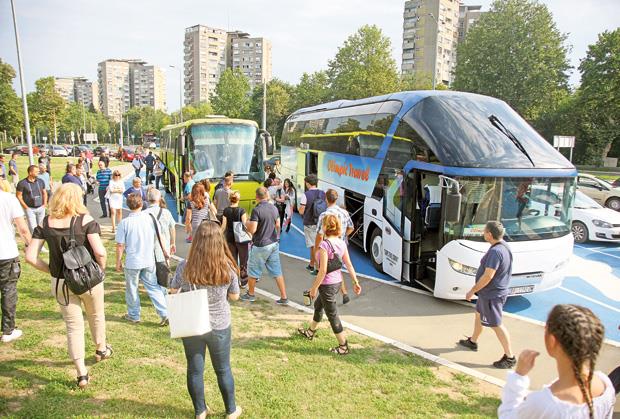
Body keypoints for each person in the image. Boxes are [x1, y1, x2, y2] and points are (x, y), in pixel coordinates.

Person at [25, 183, 112, 388]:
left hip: (61, 282)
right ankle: (101, 348)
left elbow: (30, 256)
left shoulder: (46, 223)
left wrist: (51, 270)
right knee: (96, 315)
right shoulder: (85, 220)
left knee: (73, 326)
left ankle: (81, 372)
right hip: (88, 279)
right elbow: (100, 252)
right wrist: (100, 270)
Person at [170, 222, 242, 419]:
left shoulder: (186, 266)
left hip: (193, 323)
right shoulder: (227, 267)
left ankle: (200, 410)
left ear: (197, 241)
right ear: (219, 241)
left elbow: (173, 290)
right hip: (219, 325)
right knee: (223, 369)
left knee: (194, 370)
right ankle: (231, 410)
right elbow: (235, 296)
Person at [498, 304, 616, 418]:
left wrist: (518, 377)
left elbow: (507, 416)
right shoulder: (604, 383)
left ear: (552, 340)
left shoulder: (543, 404)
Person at [297, 214, 362, 354]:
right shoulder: (341, 243)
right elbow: (349, 265)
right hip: (337, 282)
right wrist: (355, 282)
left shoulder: (324, 245)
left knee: (332, 315)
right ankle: (310, 331)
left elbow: (323, 270)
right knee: (318, 306)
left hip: (327, 285)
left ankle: (343, 346)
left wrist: (314, 288)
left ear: (325, 227)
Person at [458, 221, 516, 369]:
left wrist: (472, 290)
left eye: (484, 231)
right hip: (489, 294)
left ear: (489, 234)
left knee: (496, 325)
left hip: (492, 295)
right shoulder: (504, 246)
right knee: (478, 315)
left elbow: (488, 275)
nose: (483, 233)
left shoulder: (495, 252)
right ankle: (473, 341)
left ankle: (510, 357)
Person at [115, 193, 168, 326]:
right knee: (153, 286)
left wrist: (118, 261)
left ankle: (134, 315)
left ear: (128, 205)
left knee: (132, 288)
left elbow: (120, 245)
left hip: (133, 260)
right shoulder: (150, 218)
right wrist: (165, 251)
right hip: (148, 259)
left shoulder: (124, 223)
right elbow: (160, 236)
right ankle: (164, 313)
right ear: (141, 204)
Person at [240, 187, 288, 305]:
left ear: (257, 197)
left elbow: (253, 229)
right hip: (273, 243)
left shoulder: (257, 210)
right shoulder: (274, 208)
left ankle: (251, 294)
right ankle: (284, 297)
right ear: (266, 196)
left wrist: (246, 223)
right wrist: (277, 237)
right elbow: (278, 225)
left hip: (260, 244)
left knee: (253, 270)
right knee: (277, 271)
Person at [0, 179, 31, 343]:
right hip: (6, 252)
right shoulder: (9, 199)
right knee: (8, 290)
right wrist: (30, 245)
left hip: (6, 251)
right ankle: (8, 329)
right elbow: (23, 228)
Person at [315, 189, 355, 304]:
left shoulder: (324, 215)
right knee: (337, 268)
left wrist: (317, 250)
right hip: (341, 245)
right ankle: (344, 293)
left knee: (327, 270)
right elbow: (351, 227)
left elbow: (319, 235)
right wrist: (343, 236)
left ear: (326, 200)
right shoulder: (344, 213)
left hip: (328, 246)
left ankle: (324, 295)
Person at [299, 174, 326, 275]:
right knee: (316, 246)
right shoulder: (323, 193)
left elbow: (301, 211)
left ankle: (318, 269)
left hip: (310, 223)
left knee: (314, 246)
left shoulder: (306, 195)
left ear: (308, 183)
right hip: (321, 222)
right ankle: (311, 264)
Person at [221, 191, 249, 285]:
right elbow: (245, 226)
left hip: (229, 238)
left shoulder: (226, 210)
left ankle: (234, 281)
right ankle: (243, 281)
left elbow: (223, 226)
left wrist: (219, 235)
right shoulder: (242, 210)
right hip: (241, 239)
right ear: (238, 199)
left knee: (232, 261)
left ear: (230, 199)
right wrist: (250, 235)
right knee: (243, 260)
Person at [145, 188, 177, 262]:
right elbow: (172, 228)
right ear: (159, 199)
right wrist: (173, 243)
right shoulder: (166, 212)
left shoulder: (143, 214)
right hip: (163, 250)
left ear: (148, 199)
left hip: (148, 251)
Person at [16, 165, 48, 234]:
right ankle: (34, 240)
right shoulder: (22, 183)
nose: (38, 172)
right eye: (36, 171)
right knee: (33, 228)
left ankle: (41, 240)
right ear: (30, 173)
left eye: (38, 171)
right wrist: (26, 207)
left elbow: (44, 193)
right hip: (30, 209)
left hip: (41, 208)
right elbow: (18, 196)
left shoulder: (41, 181)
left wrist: (45, 204)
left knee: (42, 227)